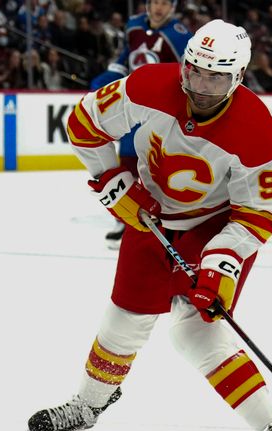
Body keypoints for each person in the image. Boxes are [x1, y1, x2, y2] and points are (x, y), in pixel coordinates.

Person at [25, 19, 272, 431]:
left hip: (216, 226)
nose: (200, 87)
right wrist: (114, 180)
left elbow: (259, 214)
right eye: (194, 71)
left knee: (194, 330)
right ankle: (88, 405)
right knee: (124, 318)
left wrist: (219, 266)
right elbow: (83, 123)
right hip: (151, 219)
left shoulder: (259, 132)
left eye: (216, 77)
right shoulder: (147, 85)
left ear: (238, 77)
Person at [89, 0, 192, 249]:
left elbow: (189, 71)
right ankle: (125, 219)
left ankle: (171, 220)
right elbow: (127, 56)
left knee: (160, 164)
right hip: (132, 102)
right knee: (126, 160)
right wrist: (109, 76)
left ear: (173, 7)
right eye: (155, 1)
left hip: (162, 108)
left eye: (165, 3)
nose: (159, 7)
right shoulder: (133, 26)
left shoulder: (180, 37)